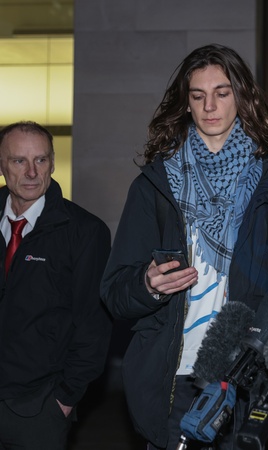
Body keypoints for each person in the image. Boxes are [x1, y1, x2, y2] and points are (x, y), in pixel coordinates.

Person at [100, 44, 268, 450]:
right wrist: (148, 285)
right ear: (186, 103)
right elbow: (115, 293)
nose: (210, 106)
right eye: (198, 95)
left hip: (244, 378)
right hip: (173, 380)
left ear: (241, 98)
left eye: (222, 93)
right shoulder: (155, 186)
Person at [0, 121, 112, 449]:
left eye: (41, 160)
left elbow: (94, 325)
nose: (32, 172)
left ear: (52, 163)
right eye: (19, 161)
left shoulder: (85, 232)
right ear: (2, 165)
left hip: (37, 408)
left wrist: (63, 398)